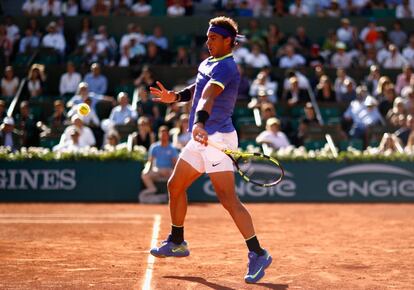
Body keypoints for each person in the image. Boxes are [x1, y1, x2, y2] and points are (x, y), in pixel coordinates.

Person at [148, 16, 272, 284]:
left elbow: (208, 97)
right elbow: (198, 89)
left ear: (229, 41)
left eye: (214, 38)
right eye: (208, 37)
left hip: (217, 138)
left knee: (228, 199)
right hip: (201, 136)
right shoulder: (208, 62)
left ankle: (258, 253)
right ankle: (177, 241)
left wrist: (200, 123)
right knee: (175, 185)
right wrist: (176, 97)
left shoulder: (228, 68)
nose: (208, 41)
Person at [138, 125, 178, 204]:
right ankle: (152, 189)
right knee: (144, 175)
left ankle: (173, 196)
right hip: (157, 171)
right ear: (159, 135)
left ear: (168, 136)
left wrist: (173, 172)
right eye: (162, 134)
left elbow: (175, 163)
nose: (163, 136)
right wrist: (146, 170)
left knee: (174, 175)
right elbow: (150, 161)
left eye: (165, 134)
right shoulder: (154, 147)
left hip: (168, 171)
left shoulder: (172, 148)